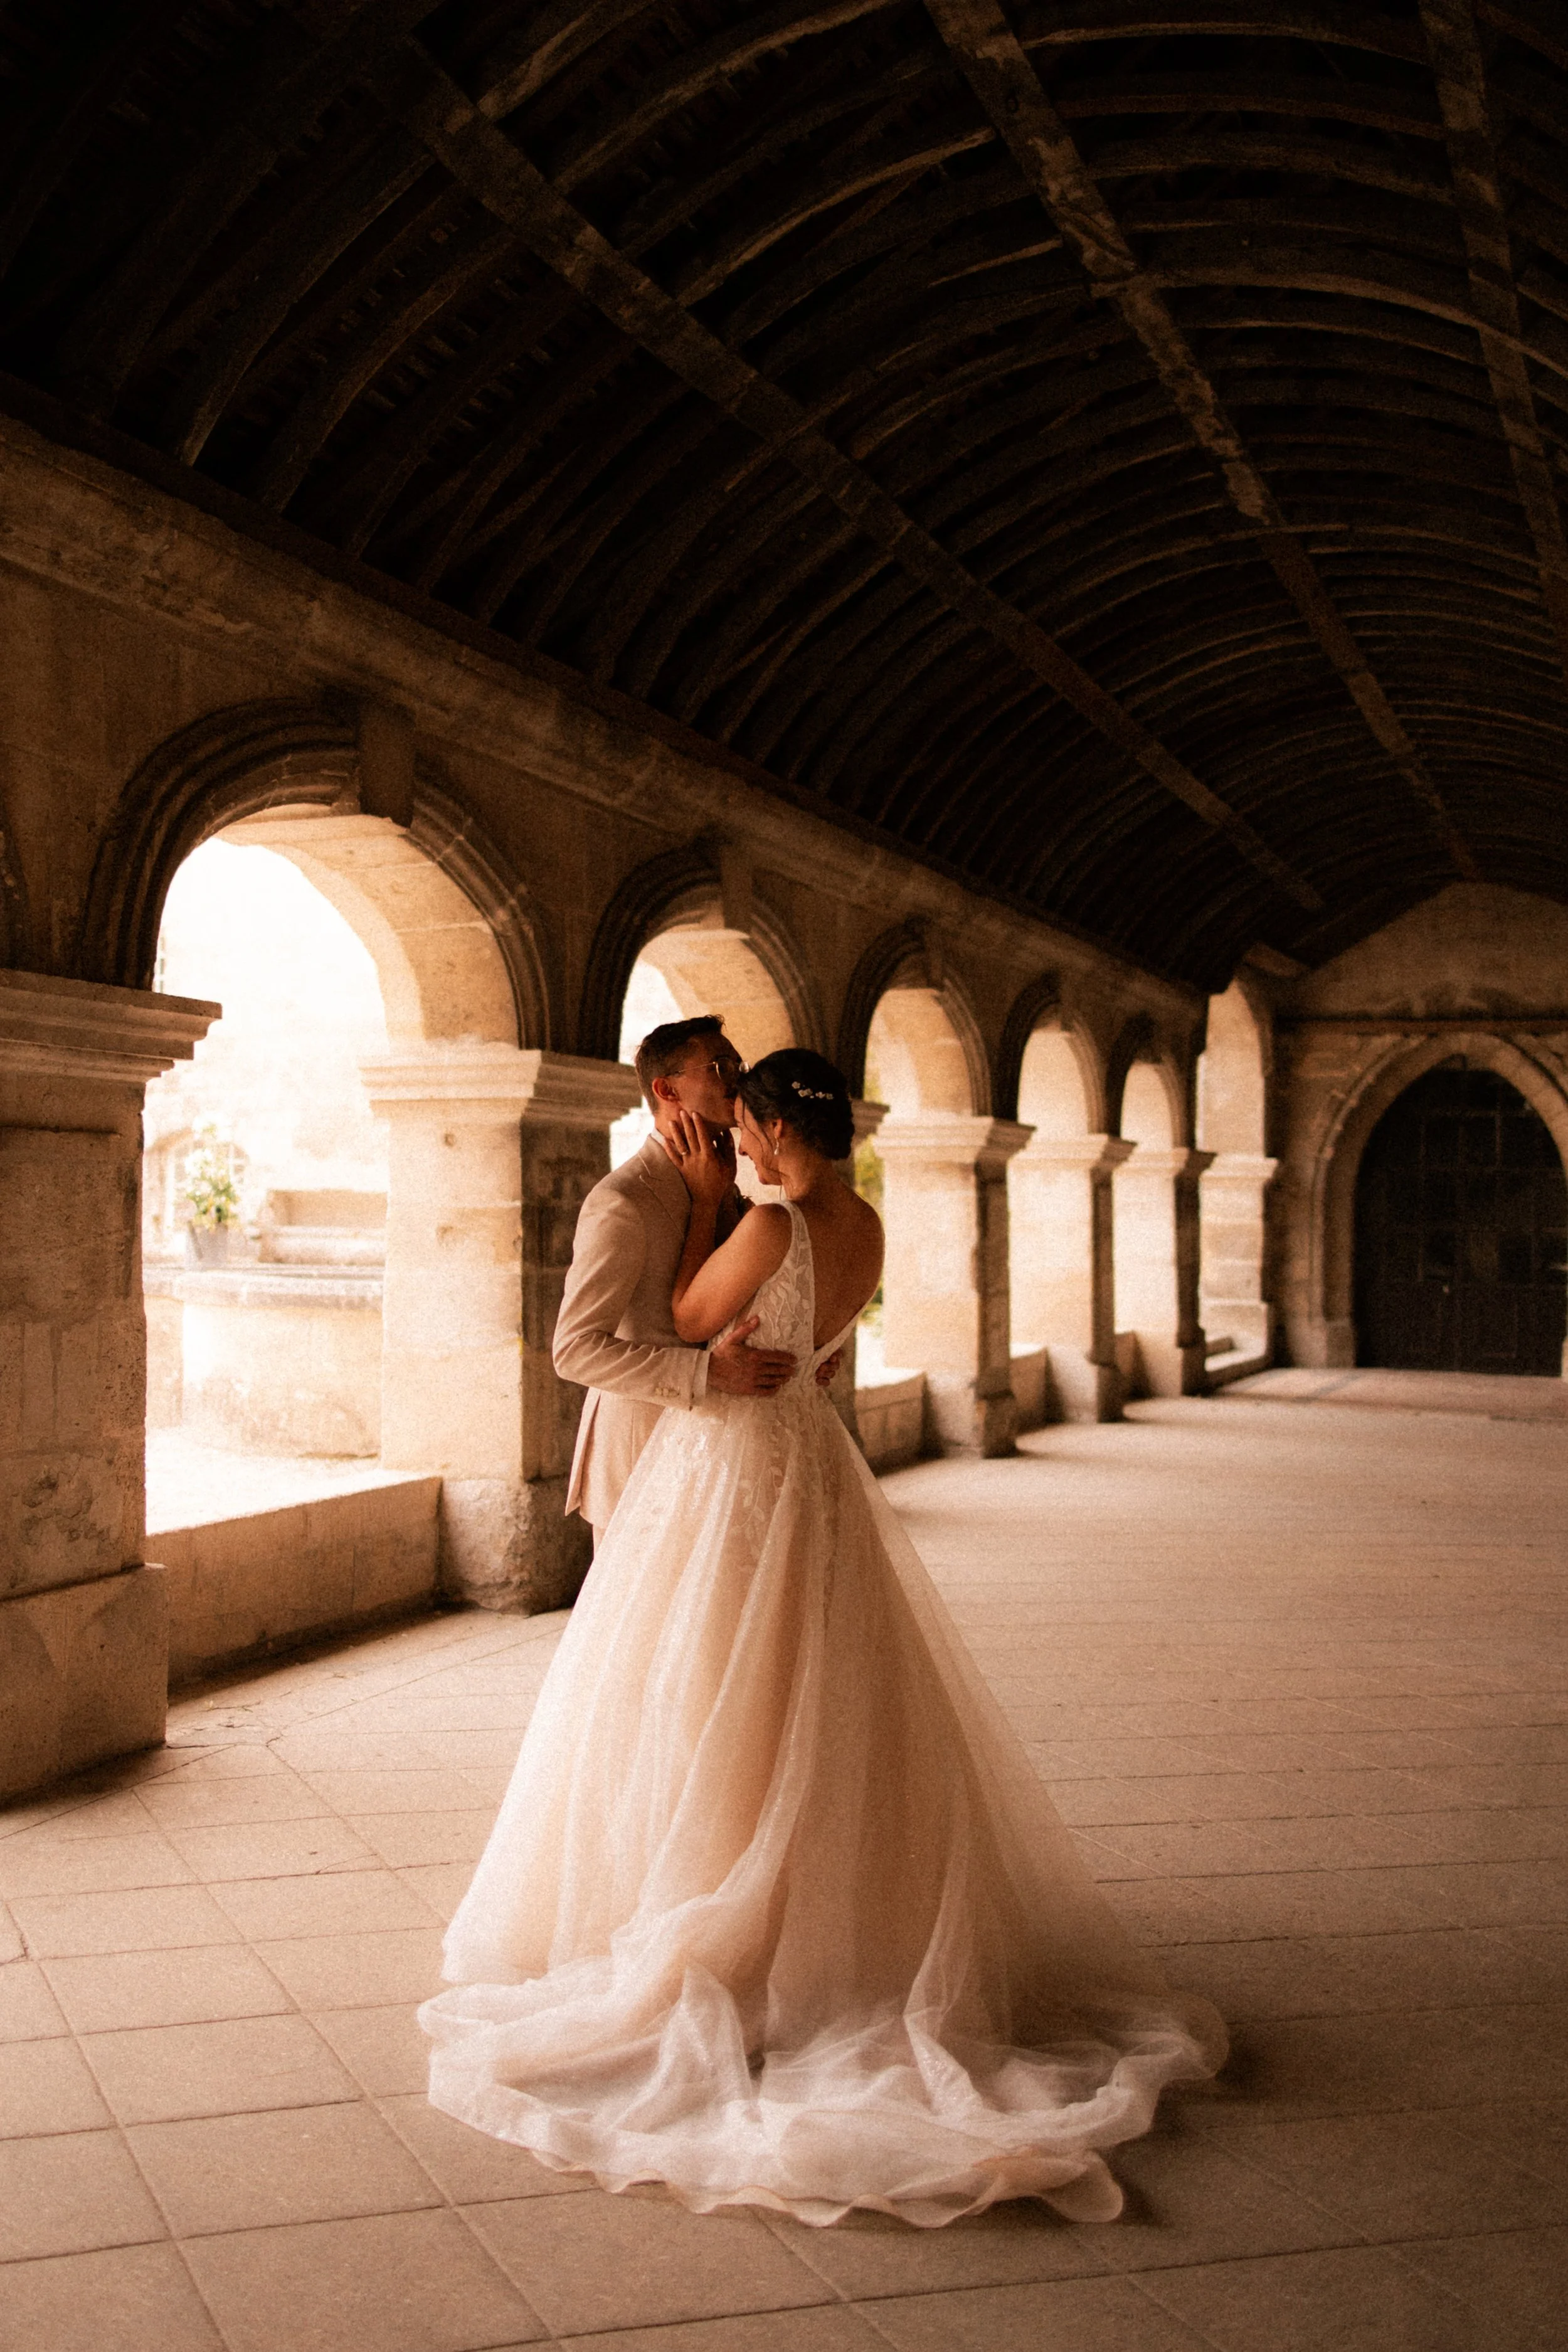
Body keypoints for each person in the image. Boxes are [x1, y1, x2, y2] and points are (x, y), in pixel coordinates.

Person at [423, 1048, 1226, 2227]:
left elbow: (684, 1319)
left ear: (771, 1132)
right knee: (813, 1678)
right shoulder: (870, 1226)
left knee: (708, 1682)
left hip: (734, 1460)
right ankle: (825, 1907)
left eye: (744, 1129)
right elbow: (828, 1340)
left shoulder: (766, 1222)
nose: (736, 1147)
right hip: (811, 1462)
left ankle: (726, 1906)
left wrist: (706, 1209)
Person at [553, 1014, 798, 1548]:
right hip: (642, 1446)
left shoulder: (728, 1182)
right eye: (720, 1066)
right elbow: (573, 1351)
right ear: (666, 1089)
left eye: (740, 1064)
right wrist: (706, 1373)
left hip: (724, 1448)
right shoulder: (622, 1202)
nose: (738, 1078)